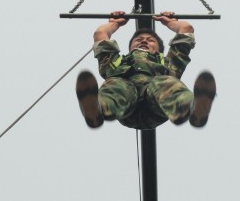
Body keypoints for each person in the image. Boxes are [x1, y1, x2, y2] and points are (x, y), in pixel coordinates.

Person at [75, 11, 215, 129]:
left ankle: (190, 108)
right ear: (130, 47)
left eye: (150, 40)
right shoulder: (116, 62)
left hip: (156, 106)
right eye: (138, 39)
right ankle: (97, 110)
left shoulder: (169, 64)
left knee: (163, 82)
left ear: (159, 49)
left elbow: (186, 29)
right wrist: (114, 23)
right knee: (116, 84)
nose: (144, 41)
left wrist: (171, 22)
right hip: (125, 105)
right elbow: (100, 34)